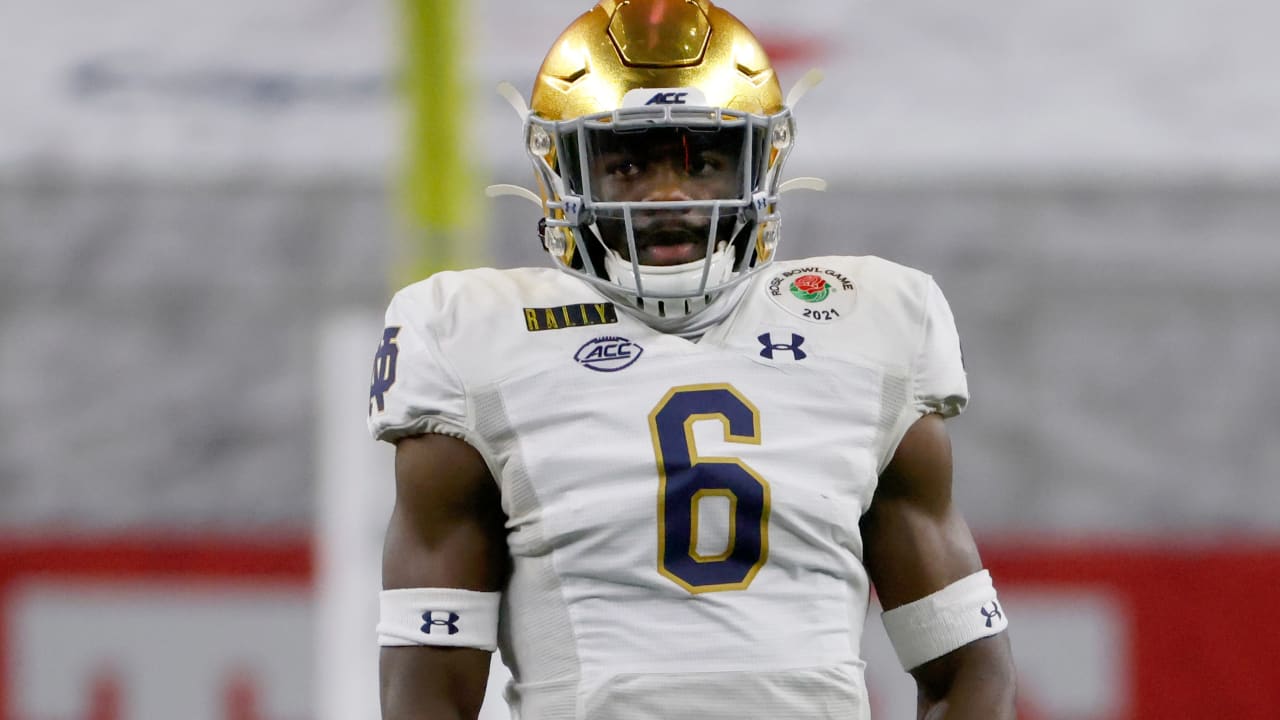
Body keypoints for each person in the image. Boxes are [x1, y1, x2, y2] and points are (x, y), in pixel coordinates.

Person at [369, 1, 1015, 718]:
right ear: (564, 171)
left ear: (759, 163)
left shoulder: (871, 324)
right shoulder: (473, 338)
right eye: (627, 165)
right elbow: (427, 690)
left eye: (703, 162)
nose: (668, 197)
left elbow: (967, 668)